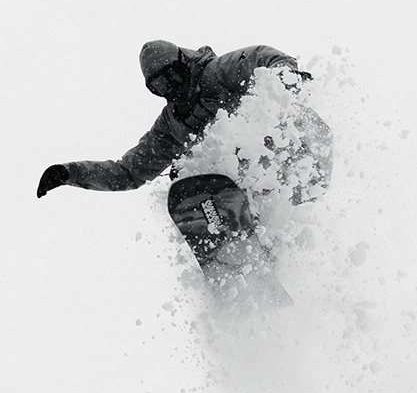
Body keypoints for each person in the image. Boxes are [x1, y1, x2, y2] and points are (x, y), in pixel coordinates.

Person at [36, 41, 332, 272]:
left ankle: (249, 227)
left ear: (183, 63)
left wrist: (284, 74)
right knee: (188, 173)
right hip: (282, 187)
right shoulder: (172, 125)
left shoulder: (217, 72)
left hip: (303, 150)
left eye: (172, 76)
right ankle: (256, 257)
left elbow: (261, 57)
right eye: (159, 86)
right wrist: (70, 173)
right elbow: (128, 171)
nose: (170, 87)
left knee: (216, 155)